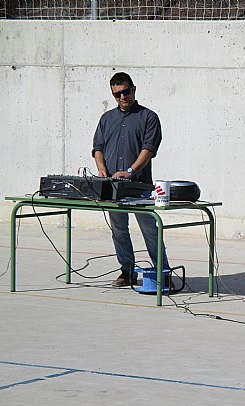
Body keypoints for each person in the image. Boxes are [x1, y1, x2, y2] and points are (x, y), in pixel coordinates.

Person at [92, 72, 169, 287]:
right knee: (118, 229)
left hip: (139, 187)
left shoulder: (149, 117)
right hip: (113, 188)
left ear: (133, 89)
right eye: (117, 94)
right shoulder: (106, 119)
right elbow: (98, 148)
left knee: (150, 229)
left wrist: (131, 171)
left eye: (125, 92)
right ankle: (127, 271)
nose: (122, 97)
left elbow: (148, 149)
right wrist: (101, 169)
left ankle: (163, 272)